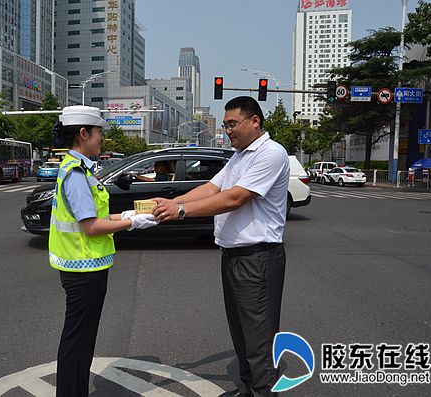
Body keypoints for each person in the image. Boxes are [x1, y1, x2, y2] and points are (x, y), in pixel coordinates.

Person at [151, 96, 289, 397]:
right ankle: (248, 388)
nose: (228, 131)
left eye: (232, 124)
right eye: (225, 125)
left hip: (258, 258)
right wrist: (174, 202)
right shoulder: (238, 157)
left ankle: (264, 391)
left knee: (259, 339)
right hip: (234, 257)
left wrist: (182, 212)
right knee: (241, 334)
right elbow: (212, 187)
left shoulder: (271, 153)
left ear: (255, 121)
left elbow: (235, 198)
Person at [49, 105, 158, 397]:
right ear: (83, 134)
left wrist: (128, 217)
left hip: (86, 268)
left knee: (82, 340)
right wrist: (128, 225)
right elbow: (90, 227)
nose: (102, 139)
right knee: (78, 342)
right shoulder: (75, 174)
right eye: (99, 133)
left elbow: (96, 216)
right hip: (82, 270)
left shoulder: (82, 169)